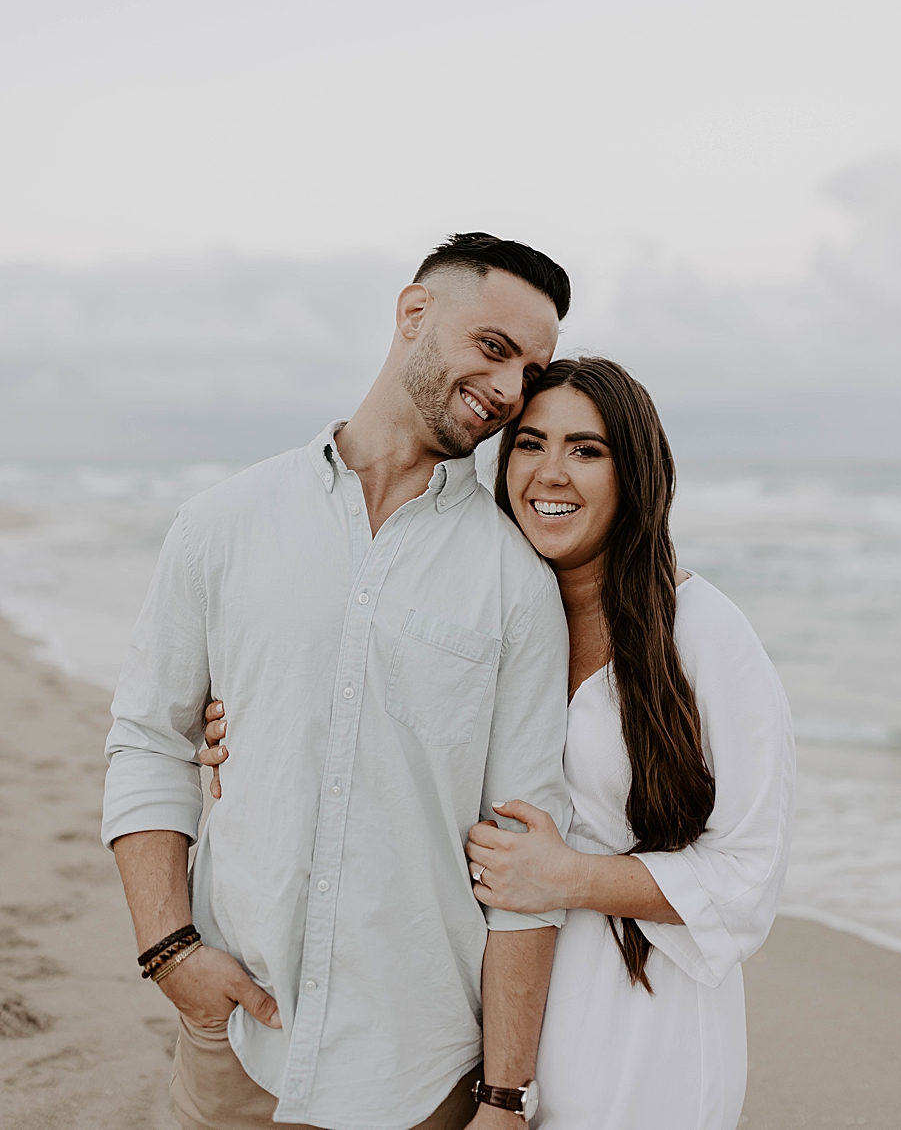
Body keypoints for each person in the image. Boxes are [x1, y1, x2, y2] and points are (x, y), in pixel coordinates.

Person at [205, 357, 795, 1129]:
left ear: (637, 473)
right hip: (494, 1012)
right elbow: (369, 729)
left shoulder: (705, 635)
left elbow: (749, 871)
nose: (551, 473)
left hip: (640, 1013)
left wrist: (570, 877)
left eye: (587, 450)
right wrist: (237, 731)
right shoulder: (480, 609)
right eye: (530, 444)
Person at [102, 233, 576, 1130]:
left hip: (422, 1065)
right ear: (413, 313)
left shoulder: (515, 579)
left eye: (531, 368)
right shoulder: (222, 523)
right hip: (239, 1038)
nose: (512, 390)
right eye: (494, 348)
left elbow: (524, 852)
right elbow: (149, 740)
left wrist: (506, 1095)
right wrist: (170, 951)